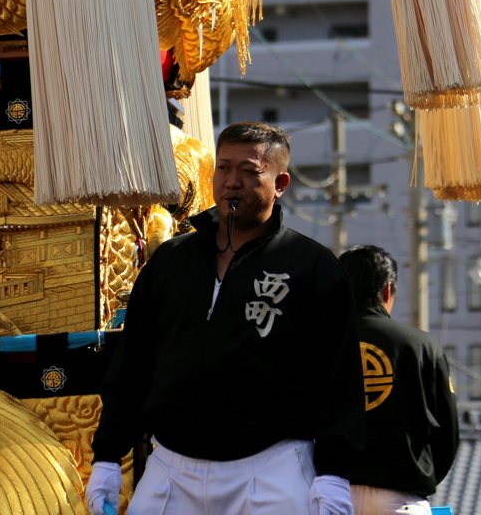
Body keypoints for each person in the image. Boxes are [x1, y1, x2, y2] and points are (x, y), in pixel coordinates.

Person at [86, 122, 365, 515]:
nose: (232, 182)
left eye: (249, 172)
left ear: (280, 182)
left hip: (272, 465)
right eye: (223, 168)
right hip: (171, 465)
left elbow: (341, 380)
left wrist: (334, 475)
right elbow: (131, 364)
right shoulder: (170, 260)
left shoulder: (312, 267)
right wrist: (107, 458)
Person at [337, 246, 459, 515]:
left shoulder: (312, 345)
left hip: (328, 498)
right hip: (400, 499)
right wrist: (418, 478)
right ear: (388, 290)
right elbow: (447, 433)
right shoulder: (421, 345)